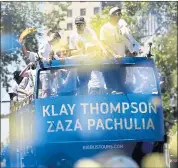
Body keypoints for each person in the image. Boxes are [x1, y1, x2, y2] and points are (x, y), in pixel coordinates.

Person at [69, 16, 107, 95]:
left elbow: (97, 42)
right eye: (77, 24)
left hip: (93, 61)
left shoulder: (89, 31)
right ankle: (83, 101)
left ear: (84, 24)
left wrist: (103, 50)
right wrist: (81, 50)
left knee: (96, 82)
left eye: (81, 24)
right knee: (83, 84)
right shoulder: (73, 36)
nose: (79, 26)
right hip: (81, 64)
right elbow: (71, 52)